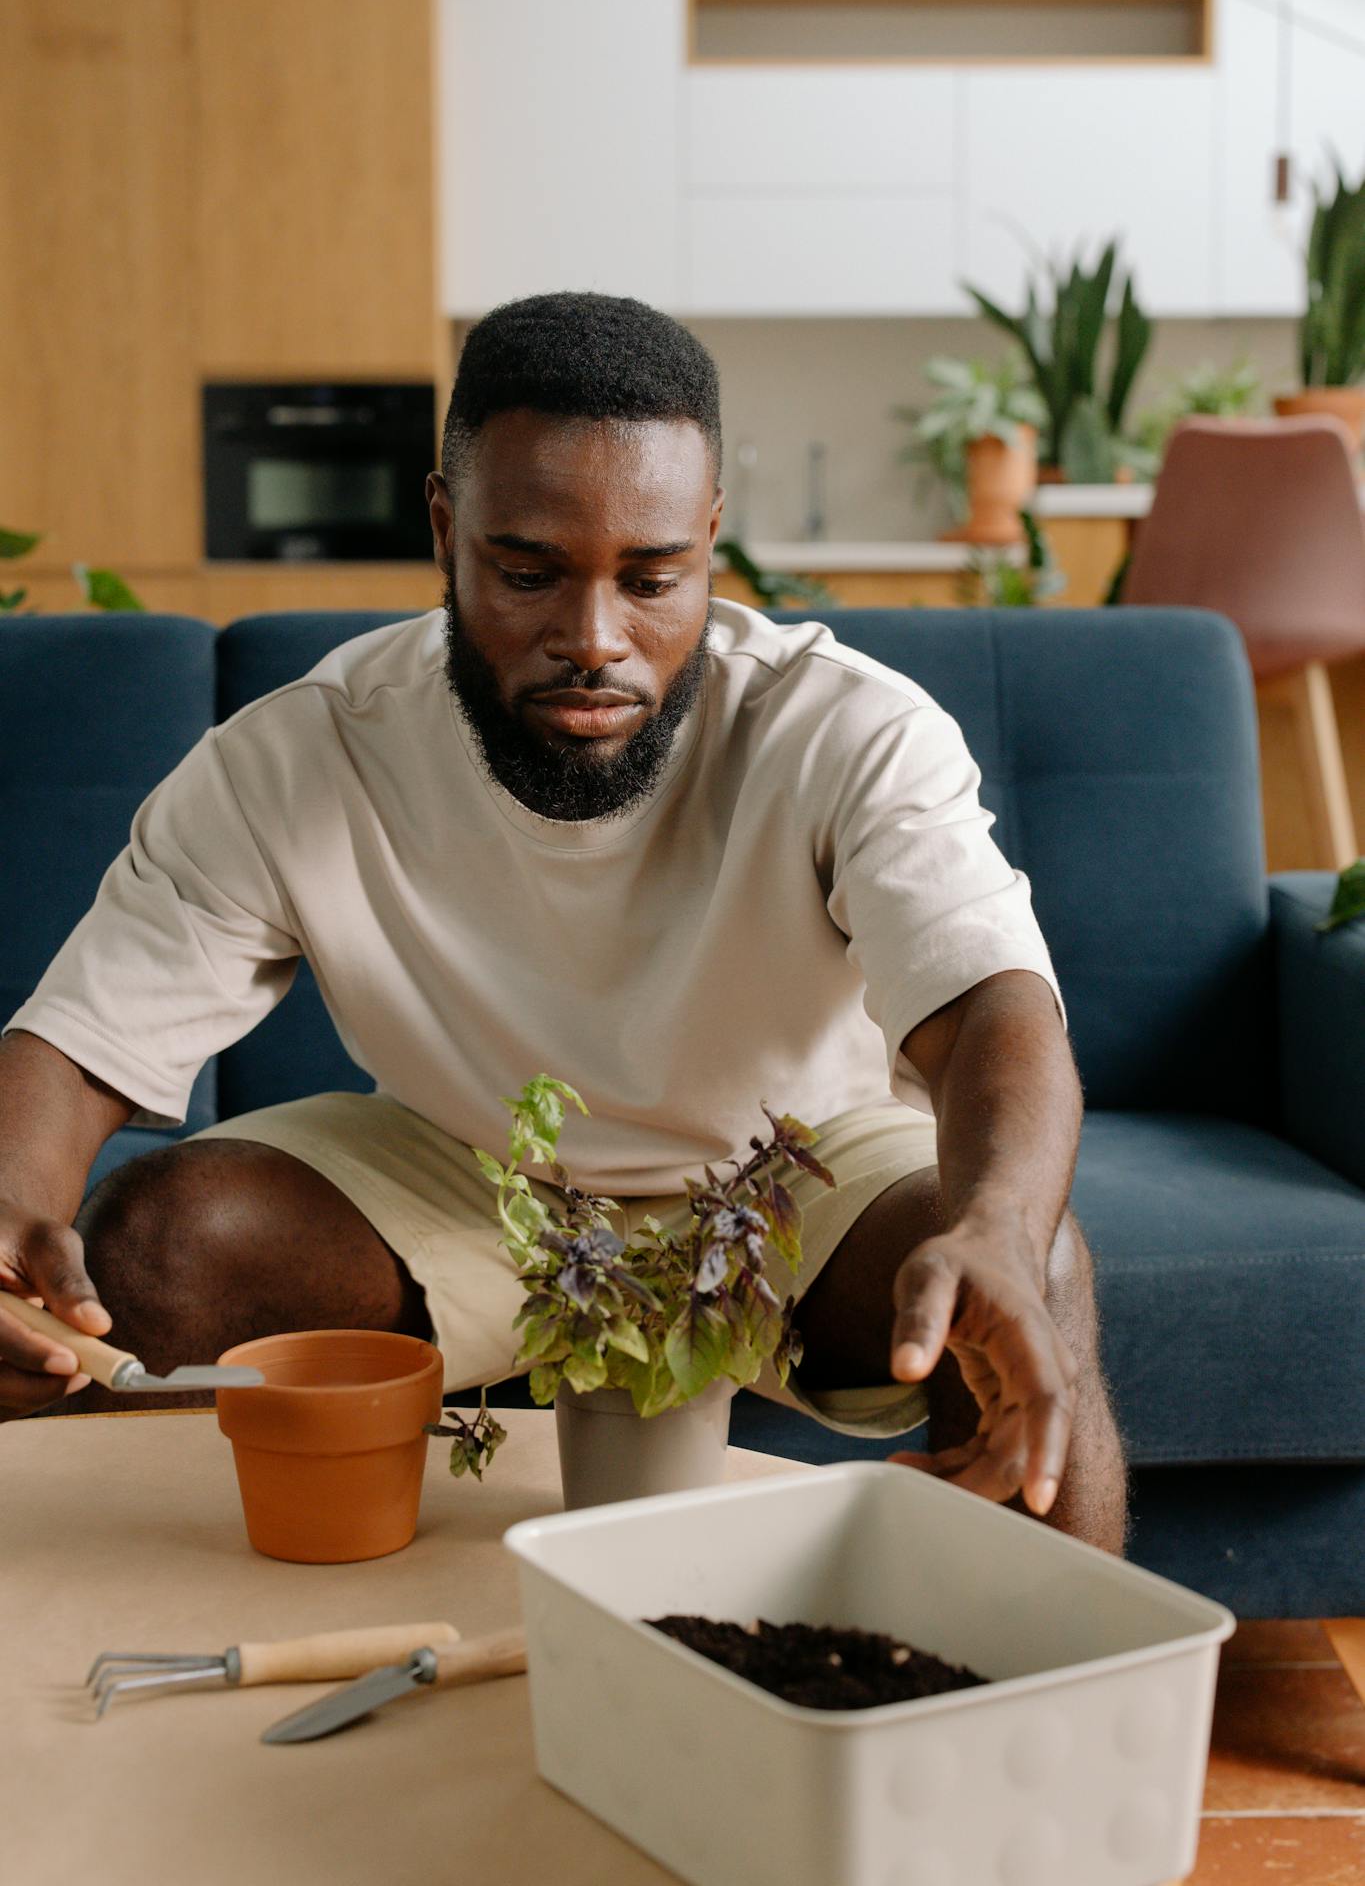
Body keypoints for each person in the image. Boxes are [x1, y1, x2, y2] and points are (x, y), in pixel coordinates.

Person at [0, 292, 1125, 1549]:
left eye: (653, 579)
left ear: (710, 535)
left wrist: (996, 1224)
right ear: (445, 525)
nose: (594, 642)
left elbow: (992, 1013)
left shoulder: (845, 728)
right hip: (471, 1175)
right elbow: (78, 1041)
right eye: (528, 572)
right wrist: (5, 1210)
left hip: (793, 1175)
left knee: (1034, 1265)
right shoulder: (309, 753)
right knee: (155, 1241)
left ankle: (1077, 1721)